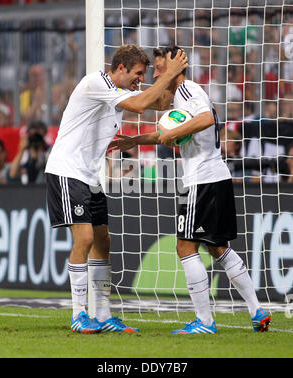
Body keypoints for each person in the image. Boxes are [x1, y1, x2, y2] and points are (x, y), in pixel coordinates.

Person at [110, 45, 271, 334]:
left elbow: (206, 119)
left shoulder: (188, 91)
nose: (157, 75)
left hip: (203, 180)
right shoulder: (183, 98)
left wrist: (171, 133)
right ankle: (257, 310)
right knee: (218, 246)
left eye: (160, 69)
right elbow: (170, 134)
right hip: (216, 176)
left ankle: (205, 321)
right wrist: (136, 141)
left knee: (185, 246)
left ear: (176, 68)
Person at [44, 44, 188, 334]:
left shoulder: (120, 92)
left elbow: (158, 102)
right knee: (83, 238)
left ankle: (103, 315)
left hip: (90, 177)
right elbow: (139, 104)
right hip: (67, 170)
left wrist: (174, 78)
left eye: (145, 75)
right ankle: (78, 314)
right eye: (138, 74)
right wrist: (166, 74)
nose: (140, 80)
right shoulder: (95, 82)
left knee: (103, 242)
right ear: (120, 68)